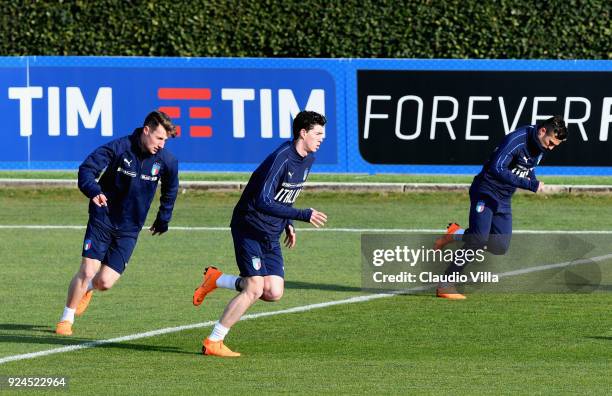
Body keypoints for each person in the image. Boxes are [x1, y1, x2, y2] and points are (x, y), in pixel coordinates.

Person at [192, 110, 328, 357]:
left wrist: (288, 221)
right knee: (254, 288)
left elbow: (284, 195)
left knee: (273, 292)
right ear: (303, 133)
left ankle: (217, 279)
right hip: (249, 227)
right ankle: (214, 341)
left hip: (271, 231)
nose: (322, 139)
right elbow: (262, 200)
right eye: (318, 133)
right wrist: (301, 214)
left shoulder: (308, 158)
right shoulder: (281, 158)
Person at [55, 110, 179, 336]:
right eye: (159, 138)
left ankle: (88, 289)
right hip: (103, 218)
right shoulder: (119, 148)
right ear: (146, 130)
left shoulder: (167, 161)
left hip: (130, 228)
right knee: (88, 269)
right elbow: (87, 170)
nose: (162, 144)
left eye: (165, 141)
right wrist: (93, 190)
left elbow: (170, 190)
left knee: (104, 282)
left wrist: (164, 217)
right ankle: (66, 319)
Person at [433, 115, 568, 299]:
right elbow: (496, 168)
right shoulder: (516, 140)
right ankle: (445, 285)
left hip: (503, 199)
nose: (551, 148)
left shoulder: (540, 145)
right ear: (542, 131)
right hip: (486, 191)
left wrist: (533, 181)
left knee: (500, 246)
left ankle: (455, 233)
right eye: (551, 143)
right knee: (479, 239)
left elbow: (528, 165)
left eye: (555, 145)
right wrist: (529, 185)